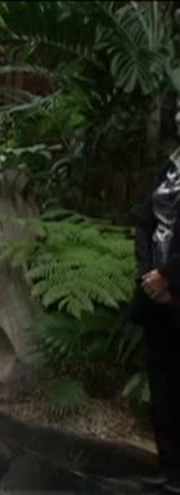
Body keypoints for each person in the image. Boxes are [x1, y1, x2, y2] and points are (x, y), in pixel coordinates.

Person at [131, 148, 180, 494]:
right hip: (154, 295)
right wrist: (148, 275)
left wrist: (169, 276)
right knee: (161, 384)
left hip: (175, 287)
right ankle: (169, 466)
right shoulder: (172, 164)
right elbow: (145, 222)